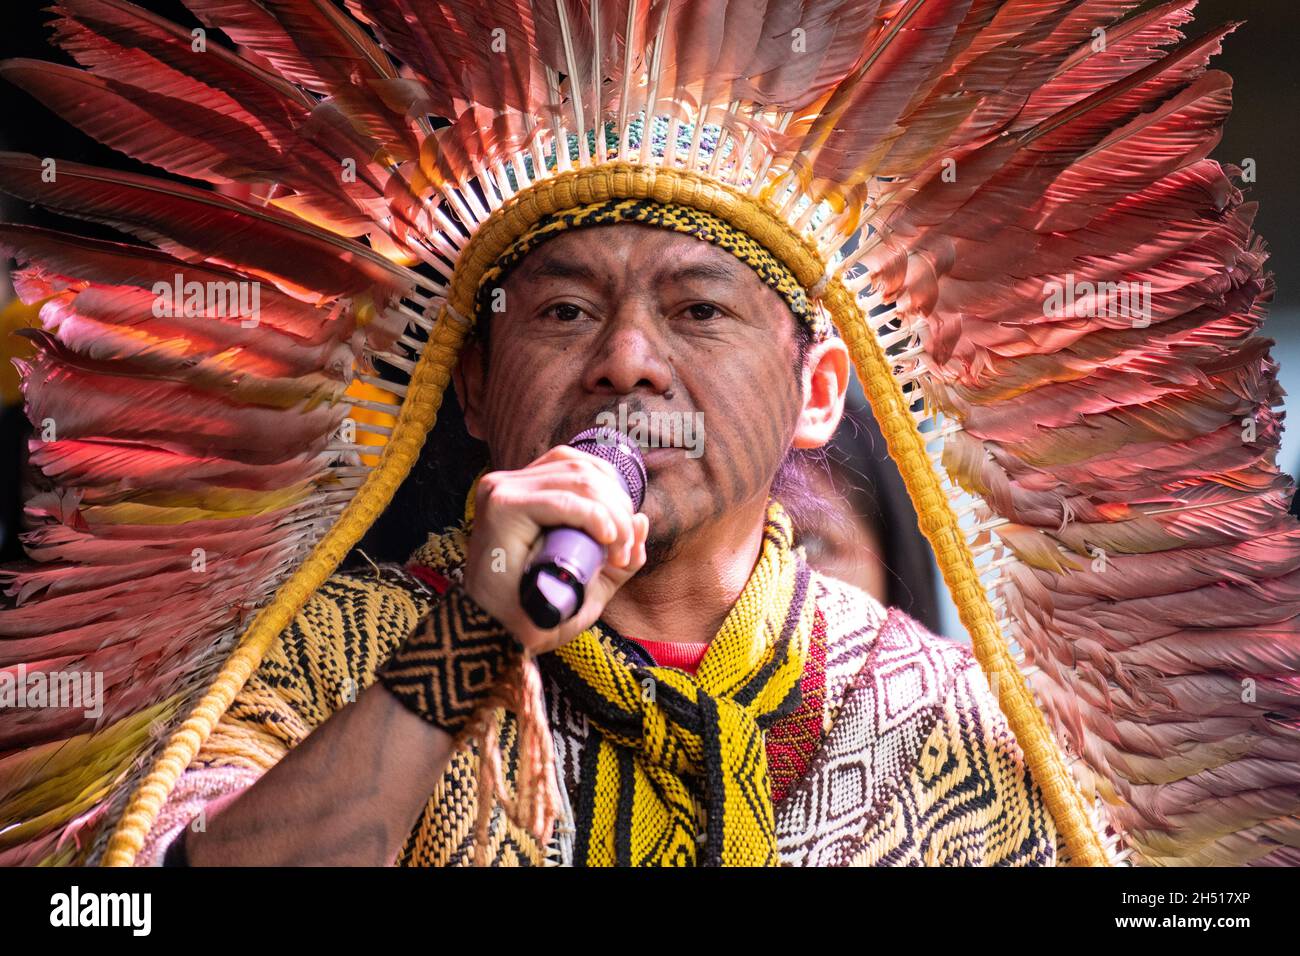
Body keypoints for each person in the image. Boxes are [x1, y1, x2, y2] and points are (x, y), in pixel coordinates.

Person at [3, 0, 1292, 870]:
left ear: (819, 392)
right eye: (563, 308)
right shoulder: (321, 656)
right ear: (473, 390)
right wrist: (468, 641)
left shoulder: (950, 720)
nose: (624, 358)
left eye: (698, 307)